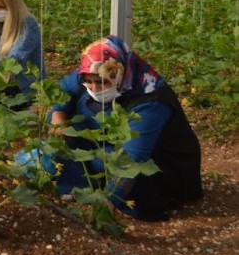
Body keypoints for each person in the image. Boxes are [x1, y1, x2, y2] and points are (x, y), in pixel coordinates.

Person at [33, 36, 202, 221]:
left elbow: (132, 158)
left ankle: (111, 194)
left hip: (157, 167)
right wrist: (58, 114)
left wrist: (108, 203)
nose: (94, 88)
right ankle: (78, 187)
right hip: (108, 147)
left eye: (102, 83)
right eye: (89, 82)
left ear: (120, 74)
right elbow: (63, 91)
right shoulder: (93, 68)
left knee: (121, 176)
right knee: (71, 127)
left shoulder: (149, 99)